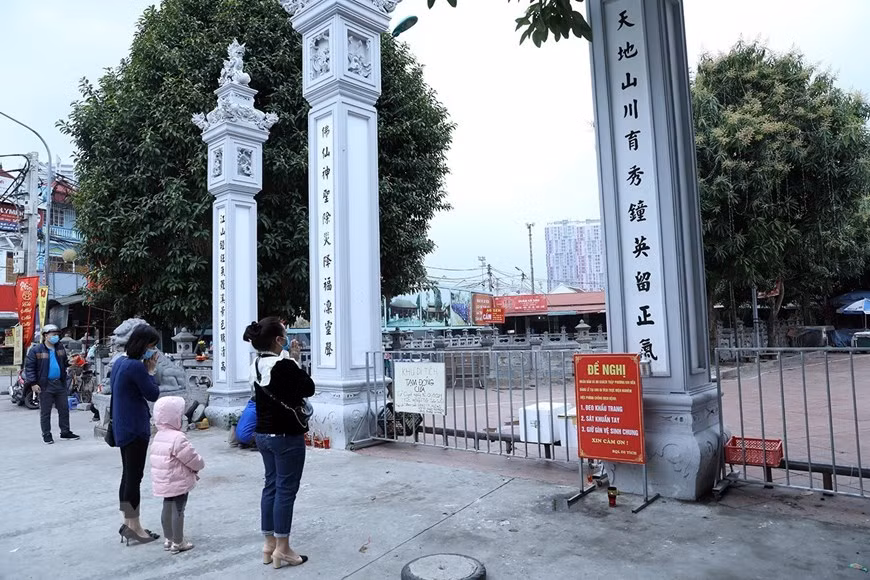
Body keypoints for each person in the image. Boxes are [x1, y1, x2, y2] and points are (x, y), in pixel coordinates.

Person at [244, 317, 315, 568]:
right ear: (278, 340)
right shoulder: (284, 365)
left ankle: (269, 545)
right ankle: (283, 548)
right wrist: (294, 359)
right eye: (284, 335)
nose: (286, 338)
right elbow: (308, 388)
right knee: (286, 490)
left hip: (263, 434)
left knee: (271, 487)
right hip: (286, 435)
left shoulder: (256, 364)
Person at [112, 324, 162, 546]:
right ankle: (135, 527)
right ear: (144, 345)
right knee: (134, 478)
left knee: (127, 476)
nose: (153, 351)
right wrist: (150, 371)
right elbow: (153, 393)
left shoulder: (120, 362)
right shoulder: (135, 366)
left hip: (122, 426)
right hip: (134, 428)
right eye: (152, 346)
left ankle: (127, 523)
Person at [150, 396, 205, 554]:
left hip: (164, 481)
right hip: (178, 480)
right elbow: (191, 458)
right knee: (178, 509)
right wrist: (200, 464)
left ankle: (168, 539)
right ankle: (178, 542)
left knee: (167, 507)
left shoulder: (158, 436)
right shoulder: (177, 438)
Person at [25, 324, 79, 444]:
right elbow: (29, 368)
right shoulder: (36, 350)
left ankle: (65, 432)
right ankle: (47, 434)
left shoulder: (60, 348)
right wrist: (33, 383)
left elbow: (63, 362)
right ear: (45, 336)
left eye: (57, 335)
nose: (56, 337)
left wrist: (70, 363)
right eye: (53, 334)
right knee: (45, 411)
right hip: (44, 385)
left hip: (59, 383)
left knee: (64, 409)